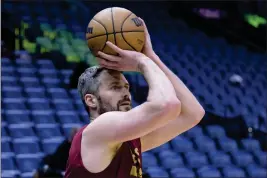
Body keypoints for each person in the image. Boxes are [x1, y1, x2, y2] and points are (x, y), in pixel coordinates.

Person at [64, 18, 205, 178]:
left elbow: (193, 113)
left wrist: (151, 56)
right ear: (91, 100)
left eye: (127, 87)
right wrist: (142, 61)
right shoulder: (97, 131)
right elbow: (168, 104)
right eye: (115, 87)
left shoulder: (125, 143)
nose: (126, 93)